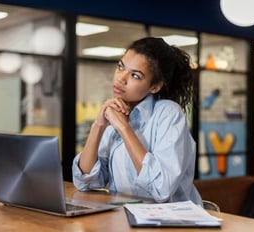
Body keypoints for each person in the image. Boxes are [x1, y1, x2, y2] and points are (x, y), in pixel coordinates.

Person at [72, 37, 202, 205]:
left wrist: (124, 128)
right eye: (120, 67)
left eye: (135, 75)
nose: (121, 78)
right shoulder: (115, 114)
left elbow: (161, 189)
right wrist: (99, 126)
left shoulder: (168, 113)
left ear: (154, 87)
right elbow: (86, 182)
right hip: (124, 219)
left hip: (171, 224)